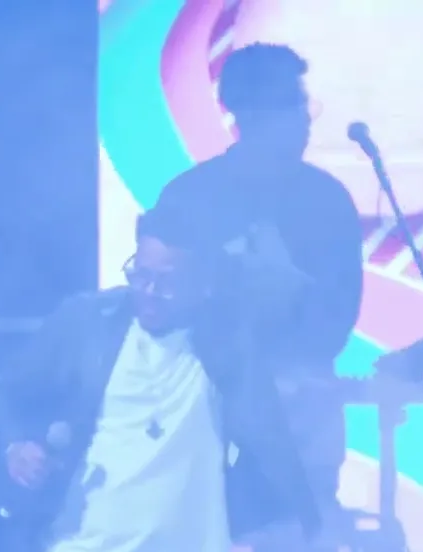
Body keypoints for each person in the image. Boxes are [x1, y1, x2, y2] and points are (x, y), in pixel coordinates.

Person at [0, 206, 317, 552]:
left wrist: (245, 241)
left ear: (205, 284)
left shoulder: (228, 339)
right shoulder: (88, 321)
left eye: (168, 281)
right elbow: (8, 389)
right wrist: (16, 446)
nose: (149, 291)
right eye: (140, 274)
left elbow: (293, 294)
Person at [151, 43, 364, 523]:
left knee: (300, 544)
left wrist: (293, 302)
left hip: (302, 427)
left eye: (305, 105)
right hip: (201, 416)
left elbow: (339, 314)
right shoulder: (188, 198)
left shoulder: (326, 200)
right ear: (249, 113)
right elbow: (160, 307)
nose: (307, 119)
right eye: (294, 104)